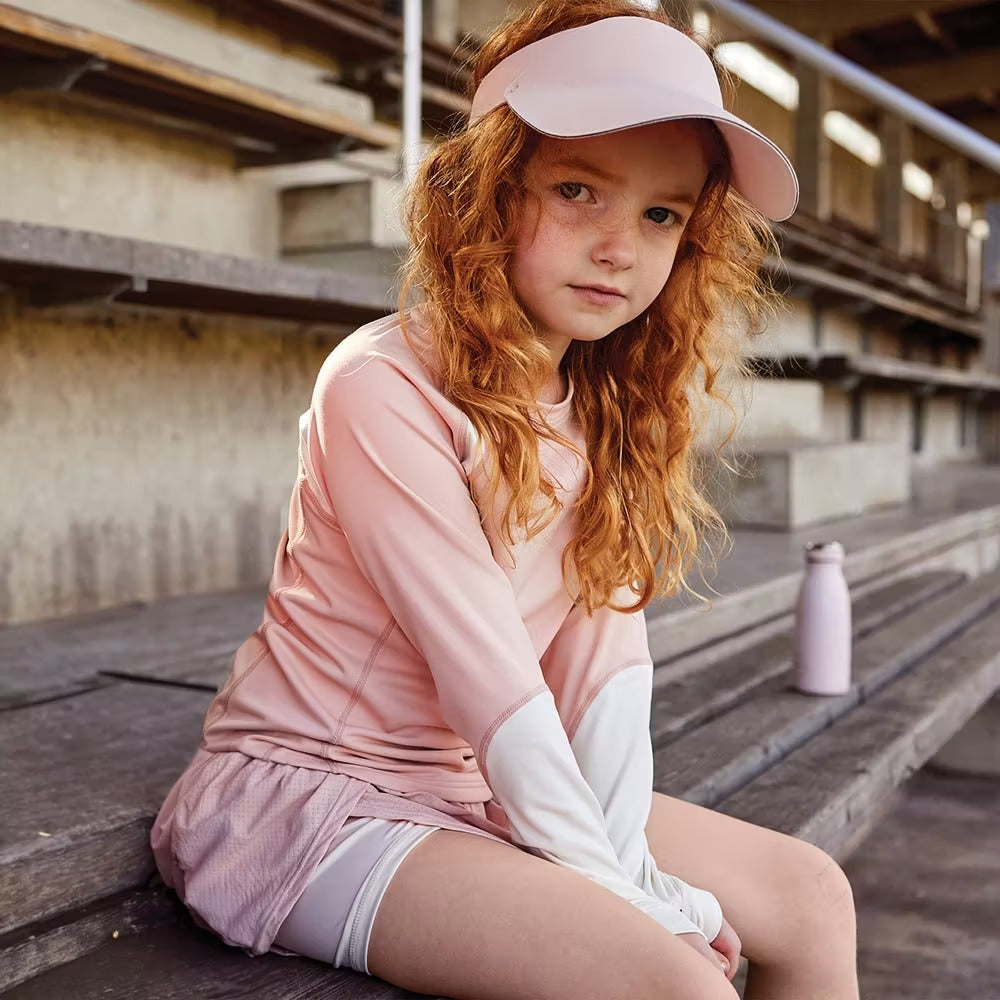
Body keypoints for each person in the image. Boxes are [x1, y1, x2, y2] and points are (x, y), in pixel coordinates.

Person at [151, 3, 860, 998]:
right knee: (678, 986)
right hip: (313, 800)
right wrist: (631, 904)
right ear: (488, 192)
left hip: (477, 784)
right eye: (578, 191)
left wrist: (634, 878)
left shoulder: (603, 403)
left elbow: (604, 677)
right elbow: (492, 679)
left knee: (809, 893)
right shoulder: (382, 387)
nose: (621, 246)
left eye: (661, 214)